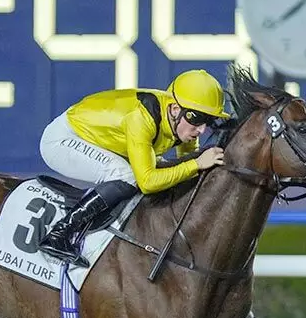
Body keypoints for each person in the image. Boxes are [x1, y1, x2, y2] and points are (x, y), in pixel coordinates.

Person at [36, 69, 230, 264]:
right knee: (127, 175)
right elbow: (147, 183)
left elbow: (186, 165)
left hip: (98, 138)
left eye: (208, 121)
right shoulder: (141, 118)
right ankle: (59, 234)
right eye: (196, 118)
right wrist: (197, 163)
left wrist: (197, 166)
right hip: (63, 140)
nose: (201, 129)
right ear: (174, 109)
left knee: (162, 169)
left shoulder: (181, 121)